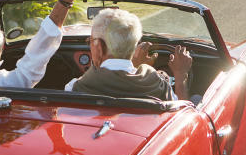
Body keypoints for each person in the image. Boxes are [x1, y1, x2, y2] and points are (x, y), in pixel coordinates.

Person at [64, 8, 192, 101]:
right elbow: (183, 113)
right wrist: (181, 77)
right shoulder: (159, 86)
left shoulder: (75, 88)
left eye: (91, 41)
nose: (90, 45)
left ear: (99, 47)